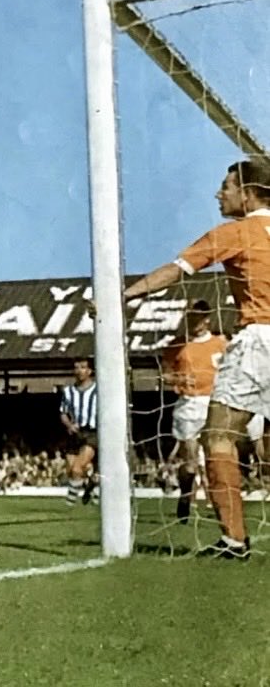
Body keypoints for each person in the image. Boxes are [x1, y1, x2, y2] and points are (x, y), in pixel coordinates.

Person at [125, 158, 270, 560]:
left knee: (219, 436)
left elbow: (176, 271)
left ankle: (235, 540)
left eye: (226, 186)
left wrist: (123, 296)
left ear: (249, 192)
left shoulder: (236, 232)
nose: (218, 193)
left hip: (260, 338)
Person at [59, 358, 98, 506]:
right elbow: (63, 413)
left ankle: (69, 505)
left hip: (92, 433)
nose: (79, 371)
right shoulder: (68, 391)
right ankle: (91, 483)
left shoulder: (98, 390)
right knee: (71, 471)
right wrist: (69, 425)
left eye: (82, 367)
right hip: (75, 433)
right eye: (76, 368)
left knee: (77, 469)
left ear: (89, 371)